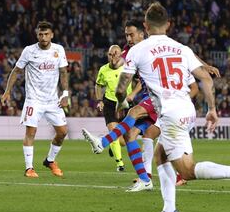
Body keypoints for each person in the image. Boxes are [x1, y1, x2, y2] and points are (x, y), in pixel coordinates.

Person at [114, 2, 230, 212]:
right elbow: (206, 78)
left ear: (145, 25)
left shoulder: (137, 50)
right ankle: (169, 211)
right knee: (160, 155)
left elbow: (121, 87)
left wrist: (122, 102)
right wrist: (212, 109)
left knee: (187, 170)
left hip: (170, 115)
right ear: (168, 25)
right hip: (186, 110)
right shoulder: (182, 48)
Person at [83, 20, 218, 190]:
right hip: (152, 97)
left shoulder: (154, 46)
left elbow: (185, 53)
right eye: (126, 35)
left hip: (163, 98)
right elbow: (119, 65)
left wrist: (205, 66)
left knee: (134, 112)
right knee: (131, 134)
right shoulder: (130, 51)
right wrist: (115, 61)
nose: (128, 38)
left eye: (131, 34)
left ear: (142, 33)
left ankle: (102, 142)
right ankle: (145, 179)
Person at [1, 21, 69, 178]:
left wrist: (65, 94)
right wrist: (7, 91)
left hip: (53, 100)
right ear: (37, 35)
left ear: (51, 35)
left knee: (63, 132)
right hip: (34, 100)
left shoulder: (58, 49)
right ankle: (29, 168)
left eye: (46, 34)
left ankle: (50, 160)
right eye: (40, 34)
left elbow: (64, 72)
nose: (43, 37)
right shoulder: (29, 51)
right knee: (31, 132)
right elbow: (16, 70)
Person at [95, 44, 133, 171]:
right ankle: (120, 164)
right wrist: (100, 100)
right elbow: (99, 85)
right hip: (110, 104)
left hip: (125, 104)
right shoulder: (103, 70)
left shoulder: (128, 67)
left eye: (116, 53)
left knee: (124, 141)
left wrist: (133, 95)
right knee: (113, 132)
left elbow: (138, 81)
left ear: (121, 54)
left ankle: (112, 146)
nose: (113, 57)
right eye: (110, 54)